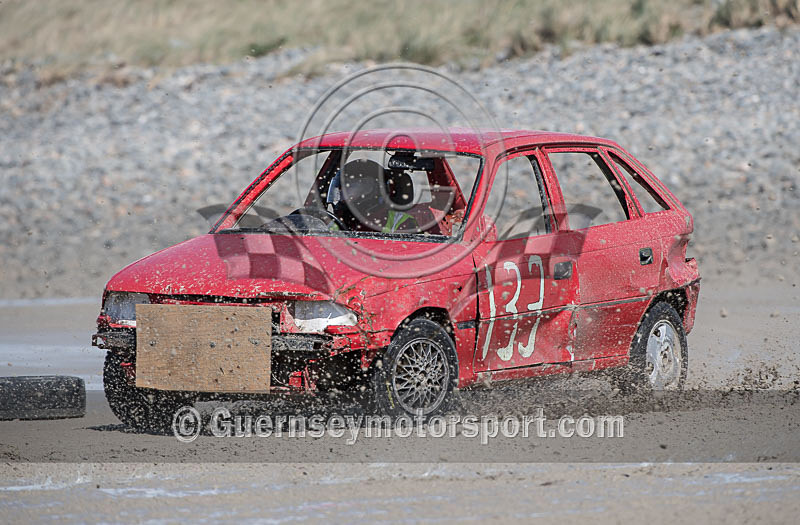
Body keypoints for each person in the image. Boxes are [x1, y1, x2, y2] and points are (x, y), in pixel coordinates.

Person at [327, 159, 419, 234]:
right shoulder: (338, 221)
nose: (341, 191)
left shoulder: (402, 223)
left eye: (349, 185)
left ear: (370, 189)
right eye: (340, 186)